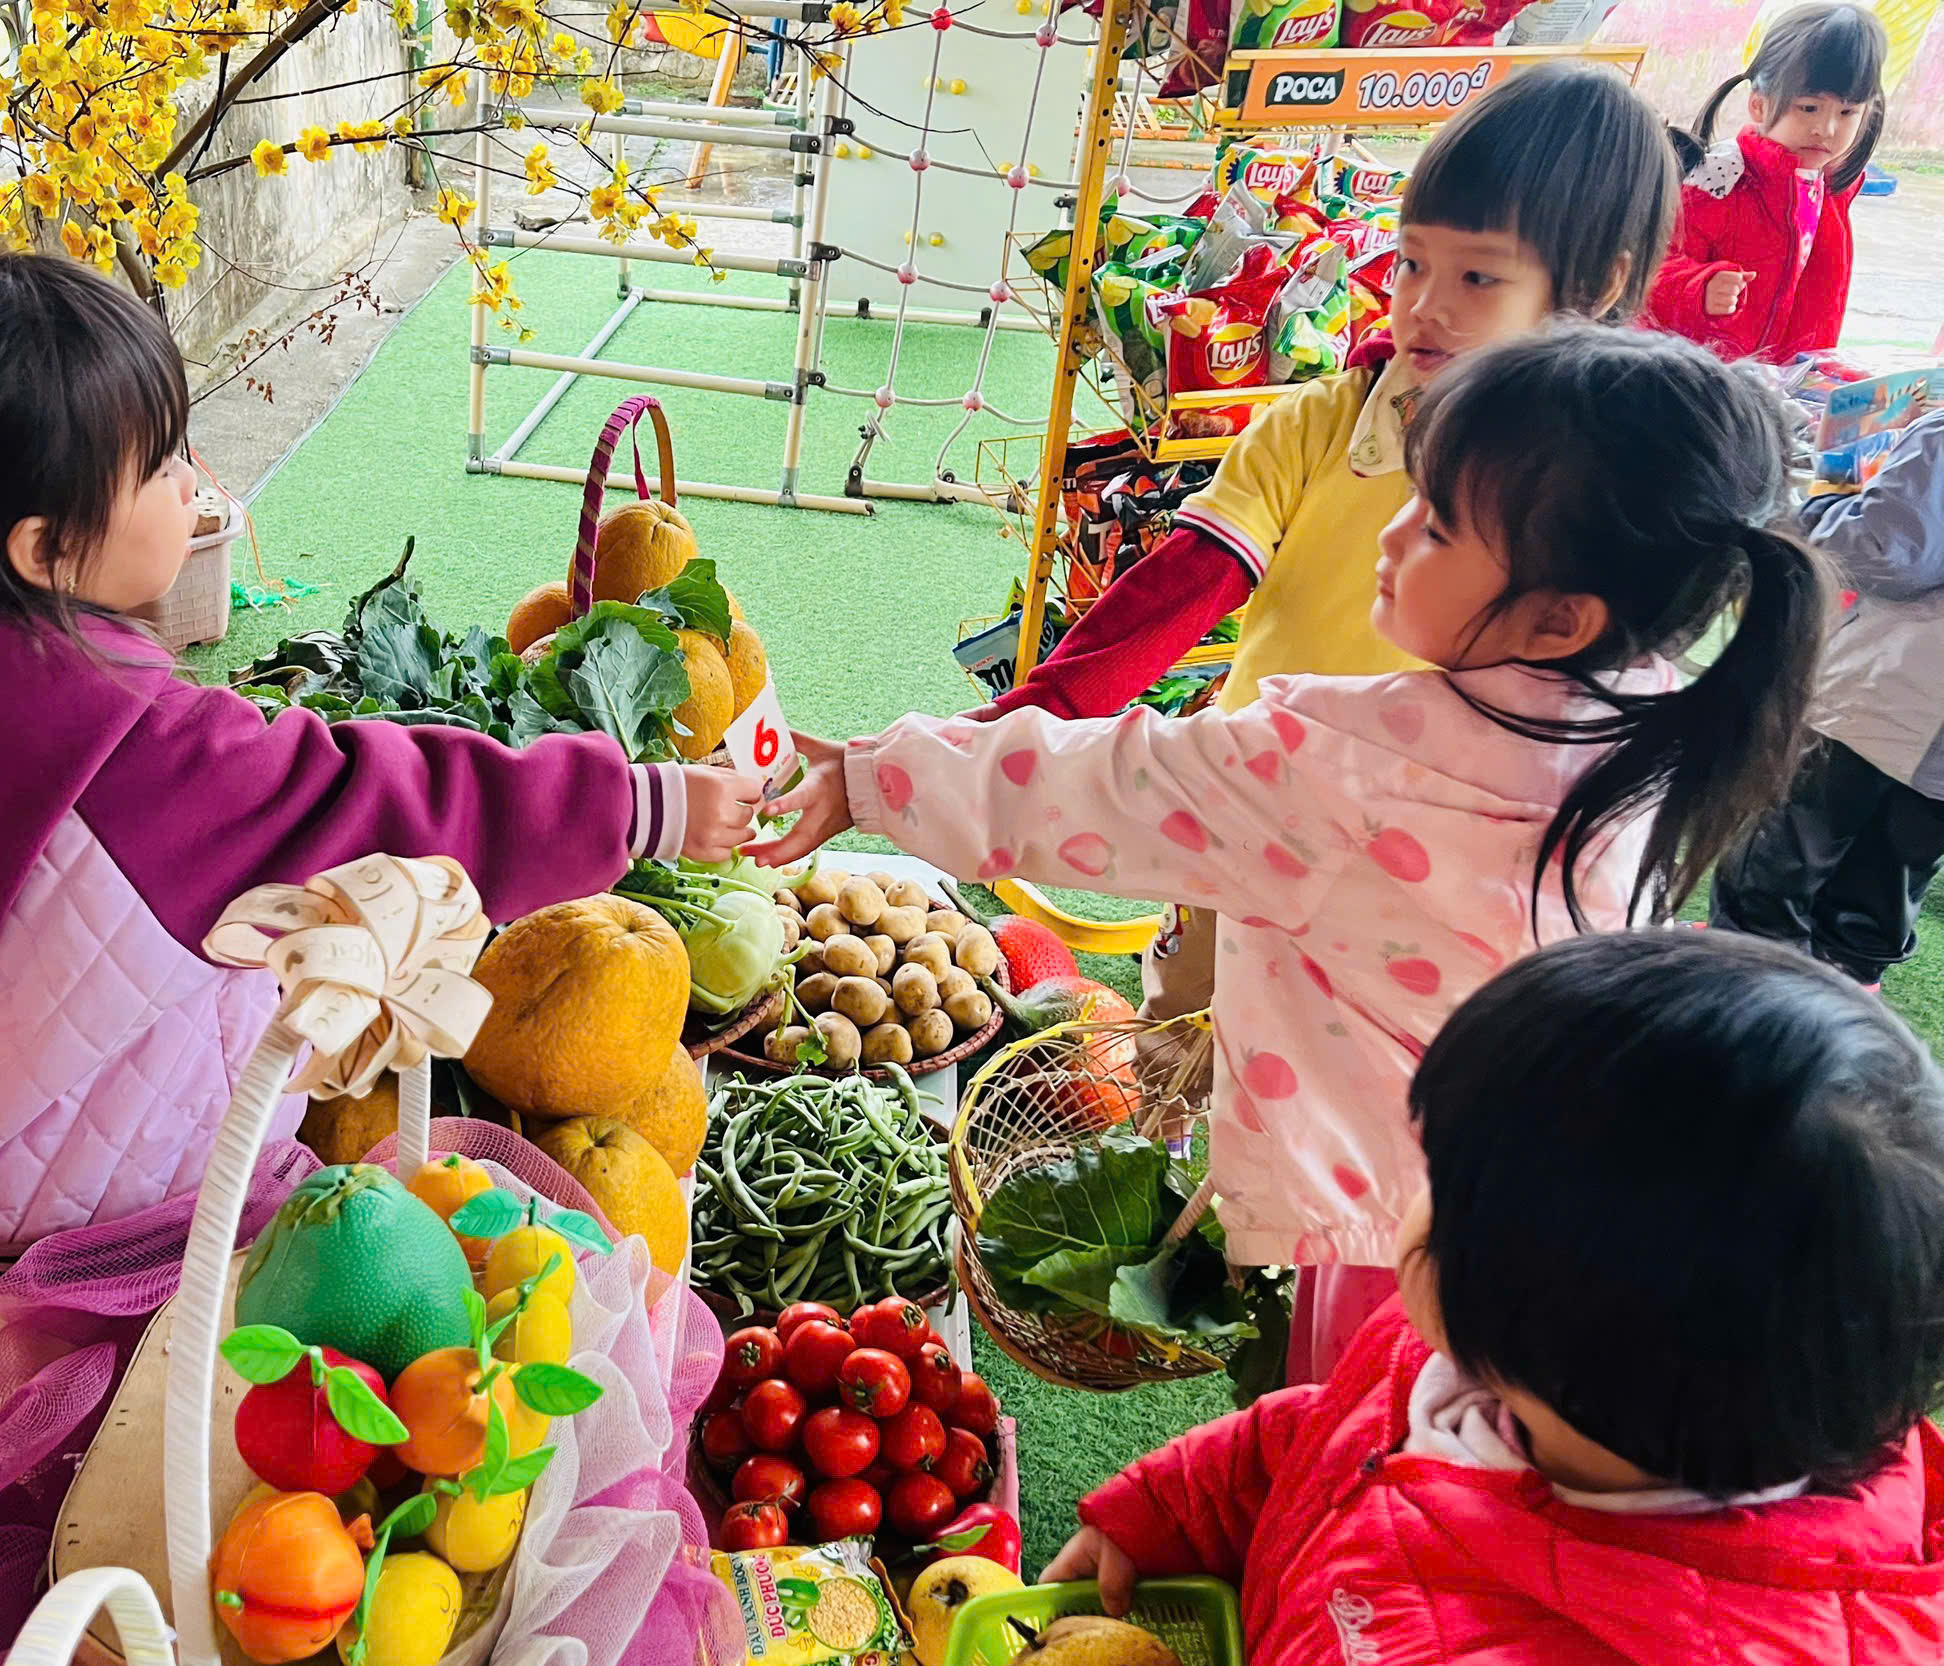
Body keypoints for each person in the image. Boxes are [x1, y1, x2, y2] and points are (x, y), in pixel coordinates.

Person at [753, 327, 1824, 1381]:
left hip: (1370, 1235)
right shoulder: (1650, 722)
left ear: (1558, 620)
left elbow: (1111, 786)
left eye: (1436, 525)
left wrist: (874, 778)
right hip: (1532, 1215)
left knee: (1333, 1436)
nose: (1387, 537)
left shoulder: (1351, 767)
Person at [0, 245, 761, 1333]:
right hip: (185, 1244)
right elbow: (394, 801)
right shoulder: (149, 759)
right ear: (46, 548)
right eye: (160, 465)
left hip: (7, 1264)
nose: (190, 481)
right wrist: (645, 803)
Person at [1035, 928, 1944, 1666]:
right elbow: (1324, 1435)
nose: (1417, 1189)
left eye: (1449, 1182)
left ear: (1566, 1337)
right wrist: (1169, 1507)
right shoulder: (1509, 1374)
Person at [982, 62, 1676, 1078]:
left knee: (1356, 1094)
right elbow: (1178, 591)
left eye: (1478, 279)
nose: (1424, 307)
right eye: (1411, 263)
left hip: (1425, 882)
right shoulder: (1324, 422)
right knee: (1185, 1045)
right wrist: (1015, 727)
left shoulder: (1597, 489)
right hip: (1248, 806)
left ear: (1596, 288)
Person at [1713, 410, 1944, 986]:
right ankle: (1839, 1002)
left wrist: (1823, 503)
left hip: (1889, 693)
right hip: (1920, 737)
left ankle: (1734, 991)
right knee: (1879, 896)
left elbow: (1885, 552)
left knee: (1772, 870)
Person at [1648, 1, 1886, 364]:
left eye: (1847, 112)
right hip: (1704, 379)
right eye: (1809, 108)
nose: (1826, 129)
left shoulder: (1830, 188)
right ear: (1759, 105)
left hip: (1787, 381)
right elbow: (1649, 269)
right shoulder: (1722, 178)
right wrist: (1698, 288)